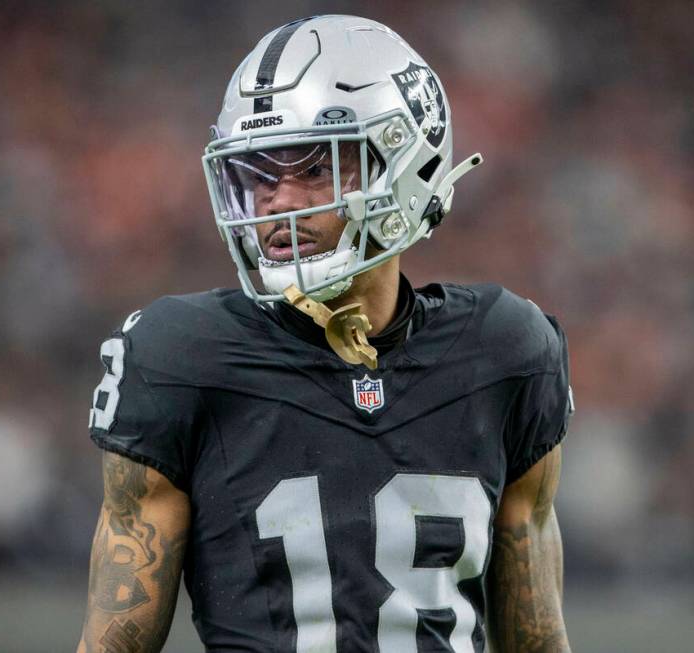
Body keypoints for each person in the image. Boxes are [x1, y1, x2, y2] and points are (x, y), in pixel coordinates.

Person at [78, 14, 573, 653]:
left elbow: (537, 638)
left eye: (314, 168)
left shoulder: (507, 351)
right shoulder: (178, 359)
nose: (279, 202)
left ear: (403, 163)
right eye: (258, 174)